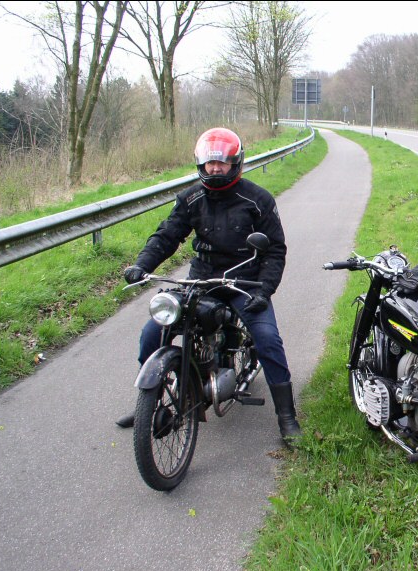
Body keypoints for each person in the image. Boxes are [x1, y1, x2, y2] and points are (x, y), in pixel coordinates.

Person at [116, 127, 301, 446]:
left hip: (245, 280)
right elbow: (167, 235)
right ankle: (149, 400)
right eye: (210, 163)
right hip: (202, 279)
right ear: (201, 163)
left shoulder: (257, 199)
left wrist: (264, 290)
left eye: (221, 163)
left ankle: (287, 417)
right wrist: (142, 265)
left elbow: (274, 251)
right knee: (152, 332)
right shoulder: (191, 198)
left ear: (235, 163)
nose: (215, 169)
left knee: (268, 339)